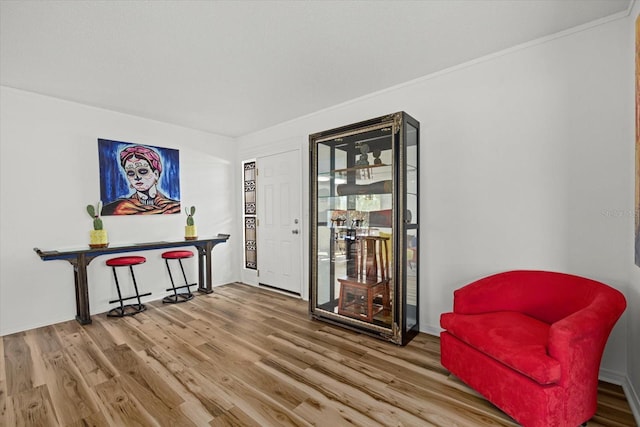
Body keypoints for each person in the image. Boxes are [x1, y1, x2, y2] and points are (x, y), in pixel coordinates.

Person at [102, 145, 181, 215]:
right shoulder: (120, 208)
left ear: (156, 174)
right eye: (131, 173)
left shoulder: (175, 207)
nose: (137, 177)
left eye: (143, 171)